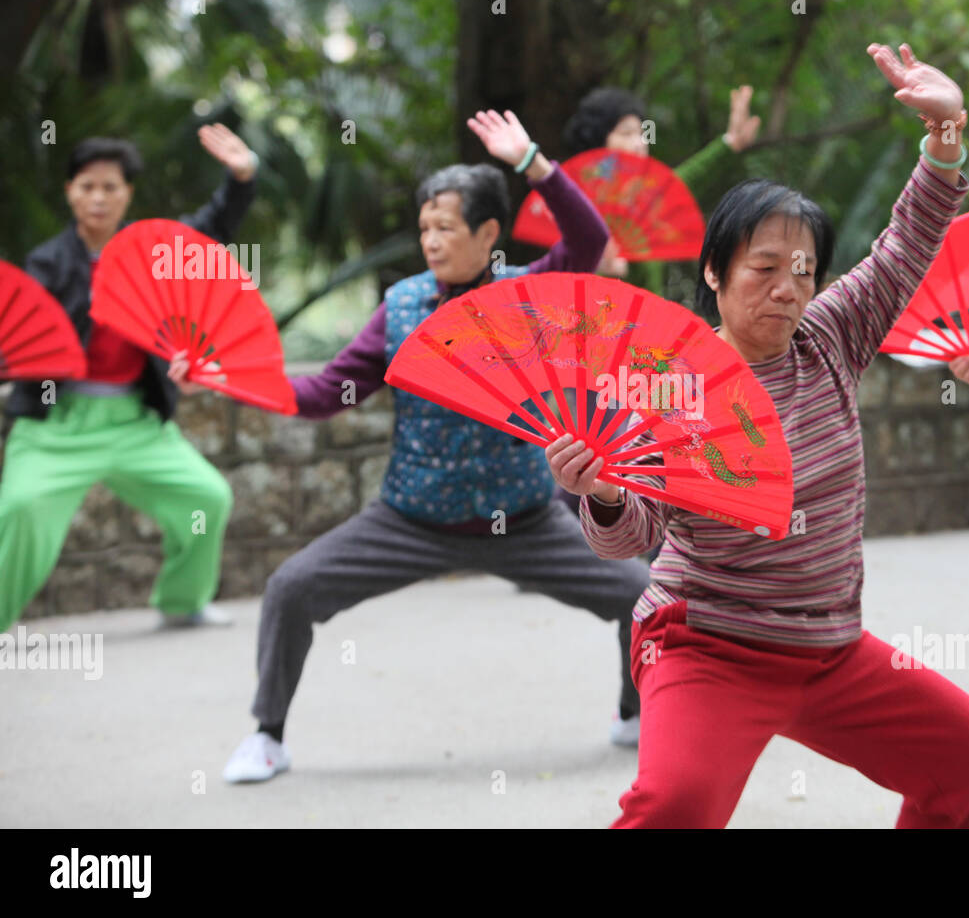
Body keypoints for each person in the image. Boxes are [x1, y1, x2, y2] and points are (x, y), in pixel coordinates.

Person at [547, 43, 969, 828]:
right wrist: (597, 492)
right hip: (707, 646)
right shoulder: (669, 384)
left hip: (831, 649)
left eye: (803, 270)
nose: (788, 287)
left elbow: (904, 248)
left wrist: (942, 141)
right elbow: (634, 536)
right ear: (714, 275)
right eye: (763, 268)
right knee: (676, 802)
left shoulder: (828, 338)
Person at [222, 110, 649, 785]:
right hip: (408, 520)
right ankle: (267, 736)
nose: (430, 241)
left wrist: (532, 158)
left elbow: (591, 237)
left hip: (527, 519)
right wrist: (234, 377)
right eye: (424, 228)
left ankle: (634, 714)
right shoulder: (401, 308)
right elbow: (328, 391)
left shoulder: (525, 294)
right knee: (291, 587)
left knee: (641, 592)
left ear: (487, 234)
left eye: (445, 227)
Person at [0, 126, 259, 631]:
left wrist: (243, 175)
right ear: (70, 192)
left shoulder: (153, 251)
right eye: (87, 186)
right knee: (20, 508)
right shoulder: (46, 264)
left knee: (206, 498)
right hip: (58, 426)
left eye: (110, 187)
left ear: (128, 194)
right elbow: (22, 335)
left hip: (137, 422)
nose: (98, 197)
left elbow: (210, 228)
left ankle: (183, 601)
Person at [562, 84, 762, 292]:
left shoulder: (642, 196)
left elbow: (690, 176)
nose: (639, 143)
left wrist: (730, 143)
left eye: (641, 133)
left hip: (649, 319)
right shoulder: (579, 202)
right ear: (599, 143)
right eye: (627, 134)